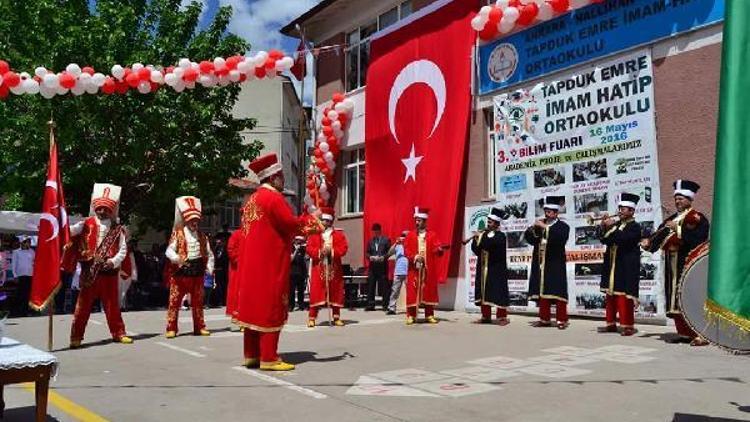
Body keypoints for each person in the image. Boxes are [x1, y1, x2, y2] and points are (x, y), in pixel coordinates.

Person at [234, 153, 321, 371]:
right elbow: (290, 224)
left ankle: (251, 355)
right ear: (273, 178)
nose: (283, 181)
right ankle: (269, 357)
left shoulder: (252, 200)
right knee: (270, 307)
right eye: (281, 177)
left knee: (253, 309)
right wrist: (314, 220)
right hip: (269, 265)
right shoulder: (273, 199)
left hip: (251, 267)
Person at [642, 180, 710, 346]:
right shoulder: (672, 218)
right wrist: (648, 244)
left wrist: (678, 229)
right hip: (671, 265)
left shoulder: (697, 218)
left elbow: (699, 239)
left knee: (690, 298)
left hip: (687, 262)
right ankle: (684, 333)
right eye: (676, 198)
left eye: (681, 198)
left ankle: (701, 334)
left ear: (689, 199)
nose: (678, 201)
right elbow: (658, 236)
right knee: (675, 299)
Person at [67, 183, 133, 348]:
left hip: (109, 273)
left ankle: (119, 333)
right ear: (95, 208)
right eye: (99, 208)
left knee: (112, 306)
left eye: (106, 209)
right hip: (90, 272)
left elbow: (123, 250)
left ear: (111, 211)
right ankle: (76, 337)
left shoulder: (118, 230)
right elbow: (68, 232)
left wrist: (113, 262)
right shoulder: (85, 223)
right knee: (83, 307)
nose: (102, 211)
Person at [164, 196, 214, 338]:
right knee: (174, 302)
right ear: (186, 220)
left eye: (196, 220)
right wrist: (176, 258)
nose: (194, 223)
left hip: (197, 273)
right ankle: (171, 328)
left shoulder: (203, 236)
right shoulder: (178, 234)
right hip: (180, 273)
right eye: (192, 220)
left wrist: (209, 268)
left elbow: (210, 254)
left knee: (198, 302)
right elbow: (169, 250)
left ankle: (200, 327)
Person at [598, 192, 643, 337]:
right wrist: (603, 226)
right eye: (619, 208)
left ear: (631, 211)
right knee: (610, 296)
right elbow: (604, 240)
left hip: (626, 265)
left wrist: (612, 228)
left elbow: (624, 239)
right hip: (612, 264)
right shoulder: (616, 224)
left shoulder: (635, 227)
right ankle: (610, 323)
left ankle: (627, 326)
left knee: (624, 296)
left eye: (623, 209)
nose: (620, 211)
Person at [524, 196, 570, 329]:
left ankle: (562, 320)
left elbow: (559, 239)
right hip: (541, 262)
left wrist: (544, 227)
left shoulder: (563, 226)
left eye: (550, 211)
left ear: (556, 213)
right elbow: (532, 240)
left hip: (555, 262)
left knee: (558, 291)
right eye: (546, 211)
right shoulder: (540, 224)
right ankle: (544, 319)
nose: (547, 213)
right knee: (542, 290)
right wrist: (531, 229)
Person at [306, 207, 348, 327]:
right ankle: (312, 317)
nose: (324, 222)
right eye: (323, 220)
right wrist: (320, 252)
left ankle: (336, 317)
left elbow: (343, 248)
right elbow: (309, 248)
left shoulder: (339, 235)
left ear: (331, 222)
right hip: (319, 267)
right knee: (316, 292)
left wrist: (332, 251)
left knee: (335, 291)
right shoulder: (314, 234)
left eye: (327, 221)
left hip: (333, 267)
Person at [404, 207, 447, 325]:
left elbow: (436, 247)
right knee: (412, 291)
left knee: (429, 291)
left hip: (428, 268)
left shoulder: (432, 235)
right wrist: (414, 256)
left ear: (425, 221)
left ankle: (429, 315)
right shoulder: (410, 235)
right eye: (416, 220)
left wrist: (439, 249)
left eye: (419, 220)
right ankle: (411, 315)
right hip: (414, 269)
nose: (417, 222)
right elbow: (406, 250)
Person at [471, 208, 510, 325]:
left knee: (499, 291)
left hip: (496, 268)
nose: (488, 224)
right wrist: (475, 239)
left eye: (490, 222)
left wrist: (481, 238)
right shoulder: (484, 235)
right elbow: (477, 250)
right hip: (483, 267)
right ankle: (486, 316)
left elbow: (491, 246)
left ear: (497, 224)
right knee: (484, 291)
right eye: (487, 221)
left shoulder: (500, 236)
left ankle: (502, 317)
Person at [365, 223, 391, 311]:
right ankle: (370, 305)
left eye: (377, 231)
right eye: (374, 231)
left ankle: (385, 305)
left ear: (380, 231)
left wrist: (383, 257)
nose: (375, 233)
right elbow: (367, 253)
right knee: (371, 285)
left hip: (382, 266)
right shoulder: (371, 241)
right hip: (373, 267)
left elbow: (389, 252)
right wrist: (370, 257)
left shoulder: (386, 240)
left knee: (384, 286)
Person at [11, 236, 35, 317]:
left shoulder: (32, 252)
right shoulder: (16, 252)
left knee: (27, 294)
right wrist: (15, 276)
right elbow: (13, 264)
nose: (29, 243)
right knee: (20, 294)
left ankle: (24, 311)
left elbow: (34, 262)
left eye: (29, 242)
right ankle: (16, 311)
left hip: (29, 275)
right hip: (20, 276)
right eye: (27, 242)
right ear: (22, 243)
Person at [386, 231, 409, 315]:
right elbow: (389, 253)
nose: (403, 237)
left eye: (405, 236)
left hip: (409, 270)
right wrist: (395, 243)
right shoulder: (398, 246)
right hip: (399, 270)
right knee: (395, 290)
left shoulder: (411, 244)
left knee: (410, 291)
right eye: (402, 235)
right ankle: (391, 308)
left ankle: (411, 308)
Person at [289, 236, 309, 311]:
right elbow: (291, 259)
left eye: (301, 241)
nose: (300, 242)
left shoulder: (302, 249)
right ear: (295, 241)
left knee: (301, 290)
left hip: (301, 272)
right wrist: (296, 250)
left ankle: (301, 305)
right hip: (292, 272)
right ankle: (291, 305)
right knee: (292, 290)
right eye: (298, 241)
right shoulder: (291, 248)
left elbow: (306, 258)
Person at [118, 239, 138, 311]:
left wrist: (134, 276)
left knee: (124, 291)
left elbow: (133, 265)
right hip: (120, 273)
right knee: (120, 291)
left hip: (128, 274)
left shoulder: (130, 253)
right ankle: (120, 306)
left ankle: (123, 306)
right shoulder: (119, 251)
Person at [213, 236, 229, 307]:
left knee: (224, 286)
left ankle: (224, 301)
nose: (219, 243)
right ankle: (218, 301)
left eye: (221, 242)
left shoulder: (226, 250)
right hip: (217, 271)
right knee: (217, 286)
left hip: (224, 271)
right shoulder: (216, 250)